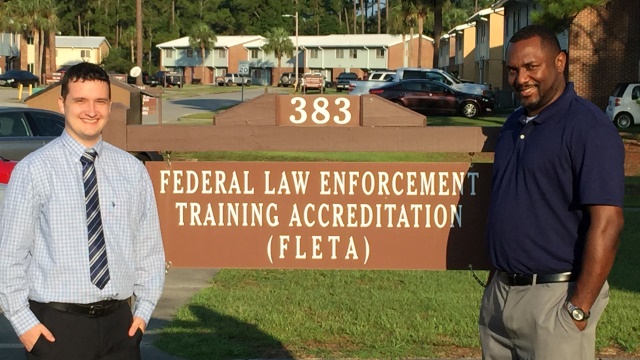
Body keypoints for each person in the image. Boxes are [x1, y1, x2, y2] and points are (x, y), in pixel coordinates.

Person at [0, 62, 166, 359]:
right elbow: (8, 257)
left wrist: (143, 313)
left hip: (121, 328)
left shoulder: (132, 170)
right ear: (62, 103)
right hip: (55, 330)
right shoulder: (33, 170)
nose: (91, 111)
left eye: (100, 101)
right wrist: (25, 326)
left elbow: (149, 250)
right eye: (81, 101)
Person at [479, 24, 624, 359]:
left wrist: (578, 309)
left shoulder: (588, 128)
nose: (521, 79)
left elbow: (609, 224)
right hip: (501, 298)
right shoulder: (514, 124)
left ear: (560, 62)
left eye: (532, 67)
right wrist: (493, 284)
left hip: (556, 299)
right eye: (513, 70)